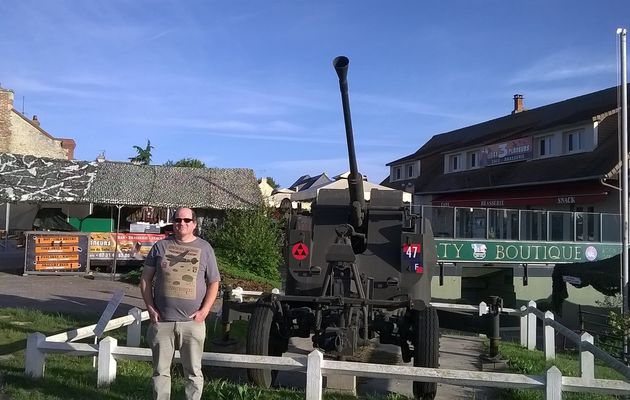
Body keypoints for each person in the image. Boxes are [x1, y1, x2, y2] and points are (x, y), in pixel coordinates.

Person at [140, 207, 220, 400]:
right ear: (173, 223)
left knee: (193, 372)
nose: (181, 224)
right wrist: (150, 308)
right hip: (163, 322)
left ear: (194, 224)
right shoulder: (160, 247)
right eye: (177, 220)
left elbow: (214, 282)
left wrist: (204, 311)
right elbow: (145, 280)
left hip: (193, 324)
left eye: (186, 220)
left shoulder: (205, 248)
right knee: (160, 371)